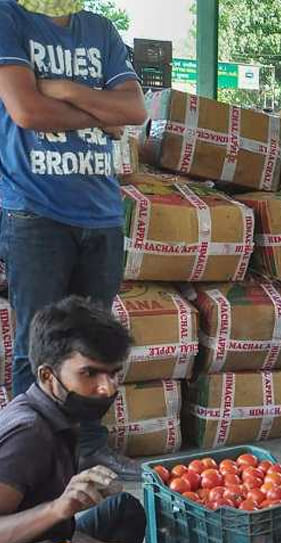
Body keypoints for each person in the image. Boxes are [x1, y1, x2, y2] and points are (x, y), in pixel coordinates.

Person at [0, 0, 148, 479]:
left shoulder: (99, 29)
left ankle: (87, 447)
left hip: (101, 214)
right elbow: (25, 110)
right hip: (34, 210)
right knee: (36, 345)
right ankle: (33, 461)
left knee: (96, 346)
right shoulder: (8, 18)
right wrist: (98, 111)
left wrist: (64, 89)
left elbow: (134, 109)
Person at [0, 297, 143, 543]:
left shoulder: (57, 413)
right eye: (89, 373)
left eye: (114, 374)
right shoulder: (30, 436)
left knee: (126, 508)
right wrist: (57, 509)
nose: (108, 389)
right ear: (46, 376)